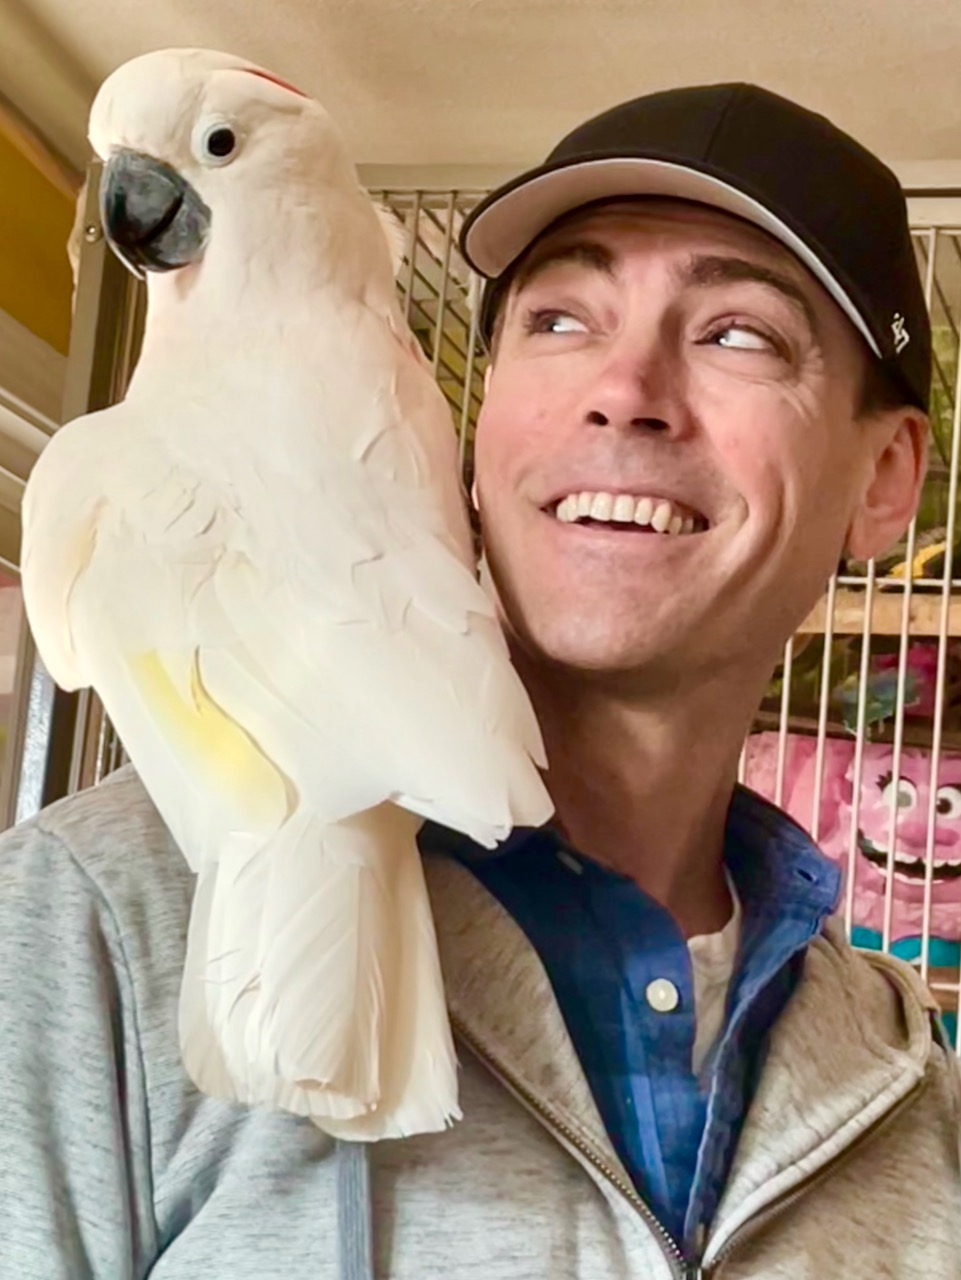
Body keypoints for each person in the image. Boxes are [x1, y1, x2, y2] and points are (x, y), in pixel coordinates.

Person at [1, 81, 959, 1280]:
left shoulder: (910, 1083)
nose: (626, 390)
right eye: (560, 319)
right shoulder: (90, 921)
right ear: (477, 410)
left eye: (735, 335)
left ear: (885, 479)